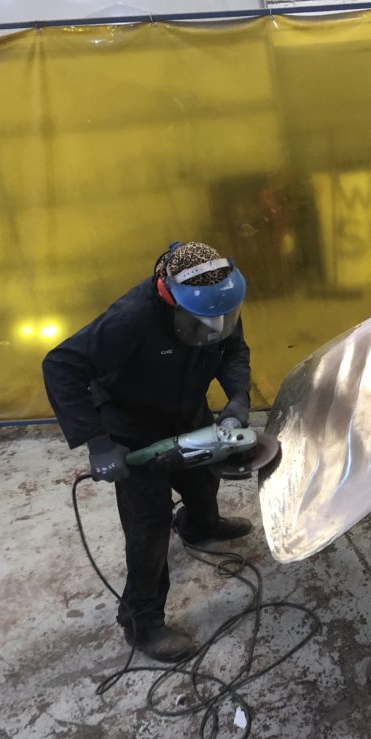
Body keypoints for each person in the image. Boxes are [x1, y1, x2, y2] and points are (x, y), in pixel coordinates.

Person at [42, 241, 253, 663]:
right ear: (171, 298)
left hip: (186, 411)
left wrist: (238, 397)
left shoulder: (216, 300)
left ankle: (199, 527)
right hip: (133, 430)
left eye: (223, 317)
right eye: (205, 321)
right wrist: (98, 442)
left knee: (202, 481)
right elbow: (61, 366)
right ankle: (142, 622)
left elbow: (233, 351)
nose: (216, 326)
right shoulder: (130, 318)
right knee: (149, 526)